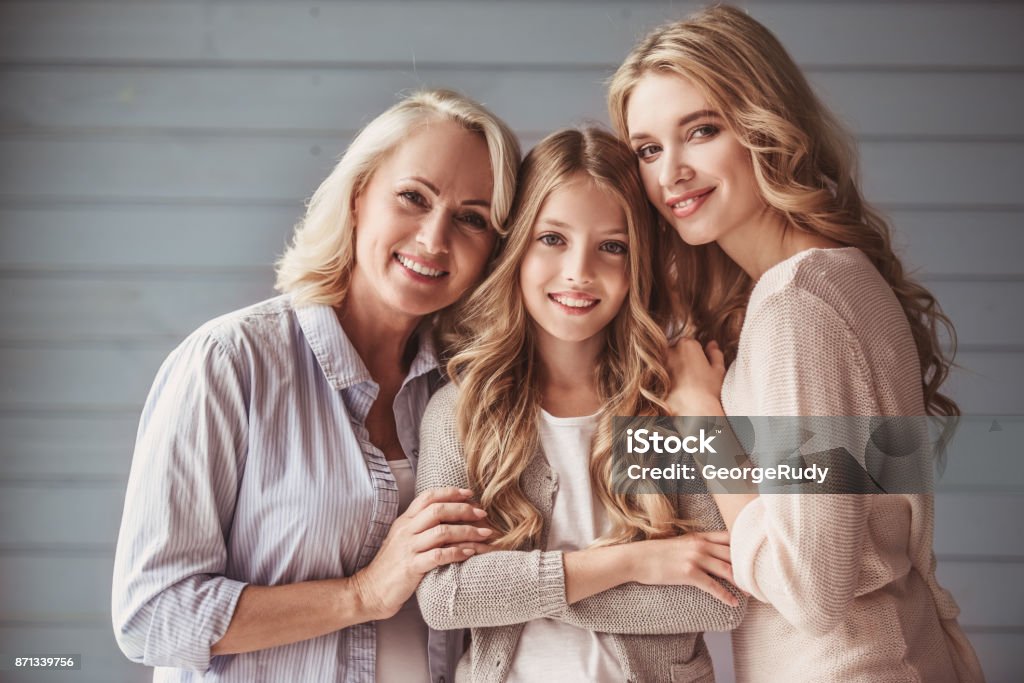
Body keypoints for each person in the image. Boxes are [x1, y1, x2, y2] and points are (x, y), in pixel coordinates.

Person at [608, 5, 985, 682]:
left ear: (762, 123)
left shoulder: (797, 304)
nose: (672, 173)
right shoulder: (830, 278)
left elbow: (811, 586)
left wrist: (701, 418)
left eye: (700, 130)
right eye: (648, 148)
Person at [111, 88, 521, 683]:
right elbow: (152, 616)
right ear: (359, 197)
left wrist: (696, 420)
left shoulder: (473, 390)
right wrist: (363, 593)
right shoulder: (230, 363)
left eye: (472, 219)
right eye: (413, 197)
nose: (435, 239)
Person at [415, 127, 745, 683]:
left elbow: (717, 596)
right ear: (517, 246)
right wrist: (635, 563)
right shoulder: (461, 411)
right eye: (553, 239)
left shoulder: (666, 407)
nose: (579, 271)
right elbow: (446, 599)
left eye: (611, 246)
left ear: (636, 263)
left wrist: (517, 589)